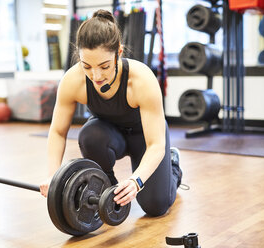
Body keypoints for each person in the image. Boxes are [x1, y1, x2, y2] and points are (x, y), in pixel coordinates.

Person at [40, 9, 182, 217]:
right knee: (90, 135)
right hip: (108, 136)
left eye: (104, 66)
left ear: (119, 53)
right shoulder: (73, 80)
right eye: (86, 66)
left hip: (147, 138)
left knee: (156, 206)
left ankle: (173, 165)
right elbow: (58, 132)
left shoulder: (141, 79)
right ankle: (108, 188)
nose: (96, 76)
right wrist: (54, 176)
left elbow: (156, 144)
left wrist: (136, 181)